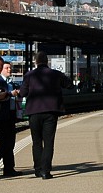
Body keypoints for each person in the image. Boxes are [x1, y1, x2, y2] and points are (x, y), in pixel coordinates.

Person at [22, 50, 73, 179]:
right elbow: (69, 85)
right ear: (47, 61)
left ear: (36, 62)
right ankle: (46, 171)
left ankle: (38, 169)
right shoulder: (56, 74)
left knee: (36, 142)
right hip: (51, 112)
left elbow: (22, 93)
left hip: (34, 112)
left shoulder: (29, 75)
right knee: (49, 142)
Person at [0, 61, 21, 177]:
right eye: (7, 68)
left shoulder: (11, 82)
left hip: (11, 114)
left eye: (10, 68)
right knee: (5, 141)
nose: (9, 70)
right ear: (1, 69)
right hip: (1, 116)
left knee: (11, 142)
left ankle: (9, 168)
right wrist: (10, 94)